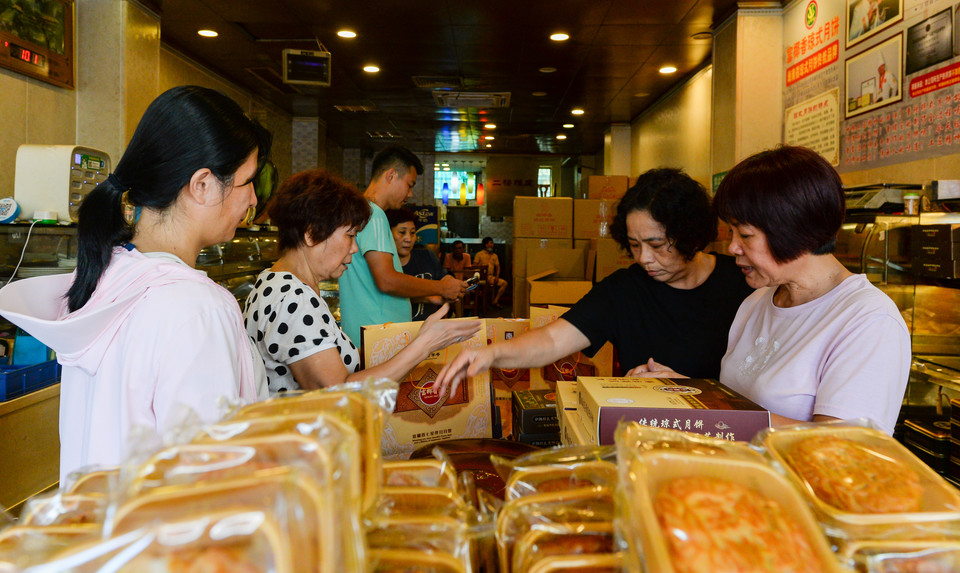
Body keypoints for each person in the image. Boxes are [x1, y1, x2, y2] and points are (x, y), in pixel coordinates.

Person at [0, 86, 272, 481]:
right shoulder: (198, 308)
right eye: (248, 182)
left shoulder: (105, 280)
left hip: (107, 535)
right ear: (202, 185)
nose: (252, 201)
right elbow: (210, 482)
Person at [634, 146, 910, 435]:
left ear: (794, 228)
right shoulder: (757, 301)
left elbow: (841, 447)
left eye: (745, 235)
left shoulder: (868, 320)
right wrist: (690, 392)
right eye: (731, 232)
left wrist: (710, 412)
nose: (732, 247)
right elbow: (737, 406)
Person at [435, 168, 754, 397]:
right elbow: (552, 341)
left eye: (656, 245)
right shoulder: (625, 290)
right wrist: (492, 354)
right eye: (633, 245)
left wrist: (688, 387)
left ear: (691, 235)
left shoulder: (744, 284)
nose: (643, 258)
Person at [244, 170, 479, 392]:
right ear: (312, 233)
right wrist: (423, 345)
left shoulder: (274, 282)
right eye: (350, 235)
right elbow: (338, 394)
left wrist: (417, 340)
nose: (355, 248)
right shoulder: (293, 298)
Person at [339, 146, 467, 345]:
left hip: (368, 335)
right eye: (409, 185)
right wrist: (440, 287)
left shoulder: (357, 212)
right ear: (391, 175)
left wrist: (426, 296)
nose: (410, 194)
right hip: (379, 338)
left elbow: (372, 288)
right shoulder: (375, 215)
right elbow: (386, 281)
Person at [387, 208, 447, 322]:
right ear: (388, 234)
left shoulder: (427, 257)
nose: (408, 239)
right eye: (402, 232)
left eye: (413, 233)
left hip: (429, 331)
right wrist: (426, 298)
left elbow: (445, 282)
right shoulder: (384, 266)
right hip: (397, 332)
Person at [473, 236, 508, 308]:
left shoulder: (494, 255)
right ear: (485, 245)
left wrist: (497, 276)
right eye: (490, 243)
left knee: (504, 283)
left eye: (492, 243)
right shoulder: (479, 254)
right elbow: (474, 266)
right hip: (481, 278)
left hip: (490, 277)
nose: (492, 245)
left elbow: (498, 267)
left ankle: (495, 301)